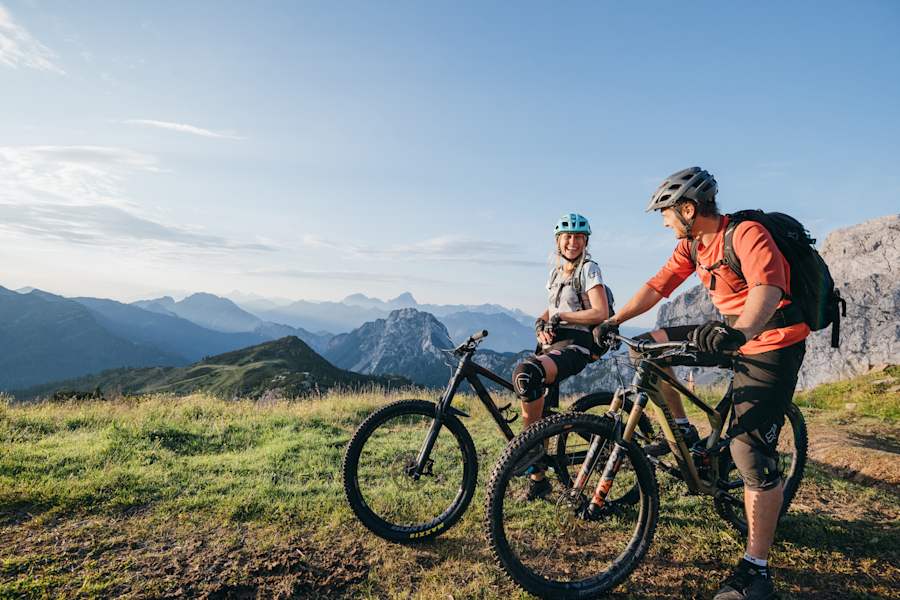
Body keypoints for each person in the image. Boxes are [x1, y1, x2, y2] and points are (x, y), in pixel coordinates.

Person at [593, 167, 808, 600]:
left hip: (773, 339)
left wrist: (740, 334)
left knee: (748, 451)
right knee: (644, 348)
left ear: (689, 209)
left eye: (667, 214)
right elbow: (658, 287)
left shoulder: (746, 234)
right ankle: (685, 427)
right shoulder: (693, 245)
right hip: (730, 331)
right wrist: (614, 320)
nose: (664, 222)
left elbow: (767, 288)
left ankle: (757, 570)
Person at [511, 212, 610, 500]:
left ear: (586, 240)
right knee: (540, 411)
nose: (573, 241)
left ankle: (526, 449)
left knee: (526, 374)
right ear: (558, 241)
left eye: (579, 236)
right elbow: (550, 308)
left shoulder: (589, 269)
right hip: (553, 344)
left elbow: (600, 312)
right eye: (567, 236)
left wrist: (561, 317)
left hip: (577, 344)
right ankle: (538, 482)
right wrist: (541, 324)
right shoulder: (555, 273)